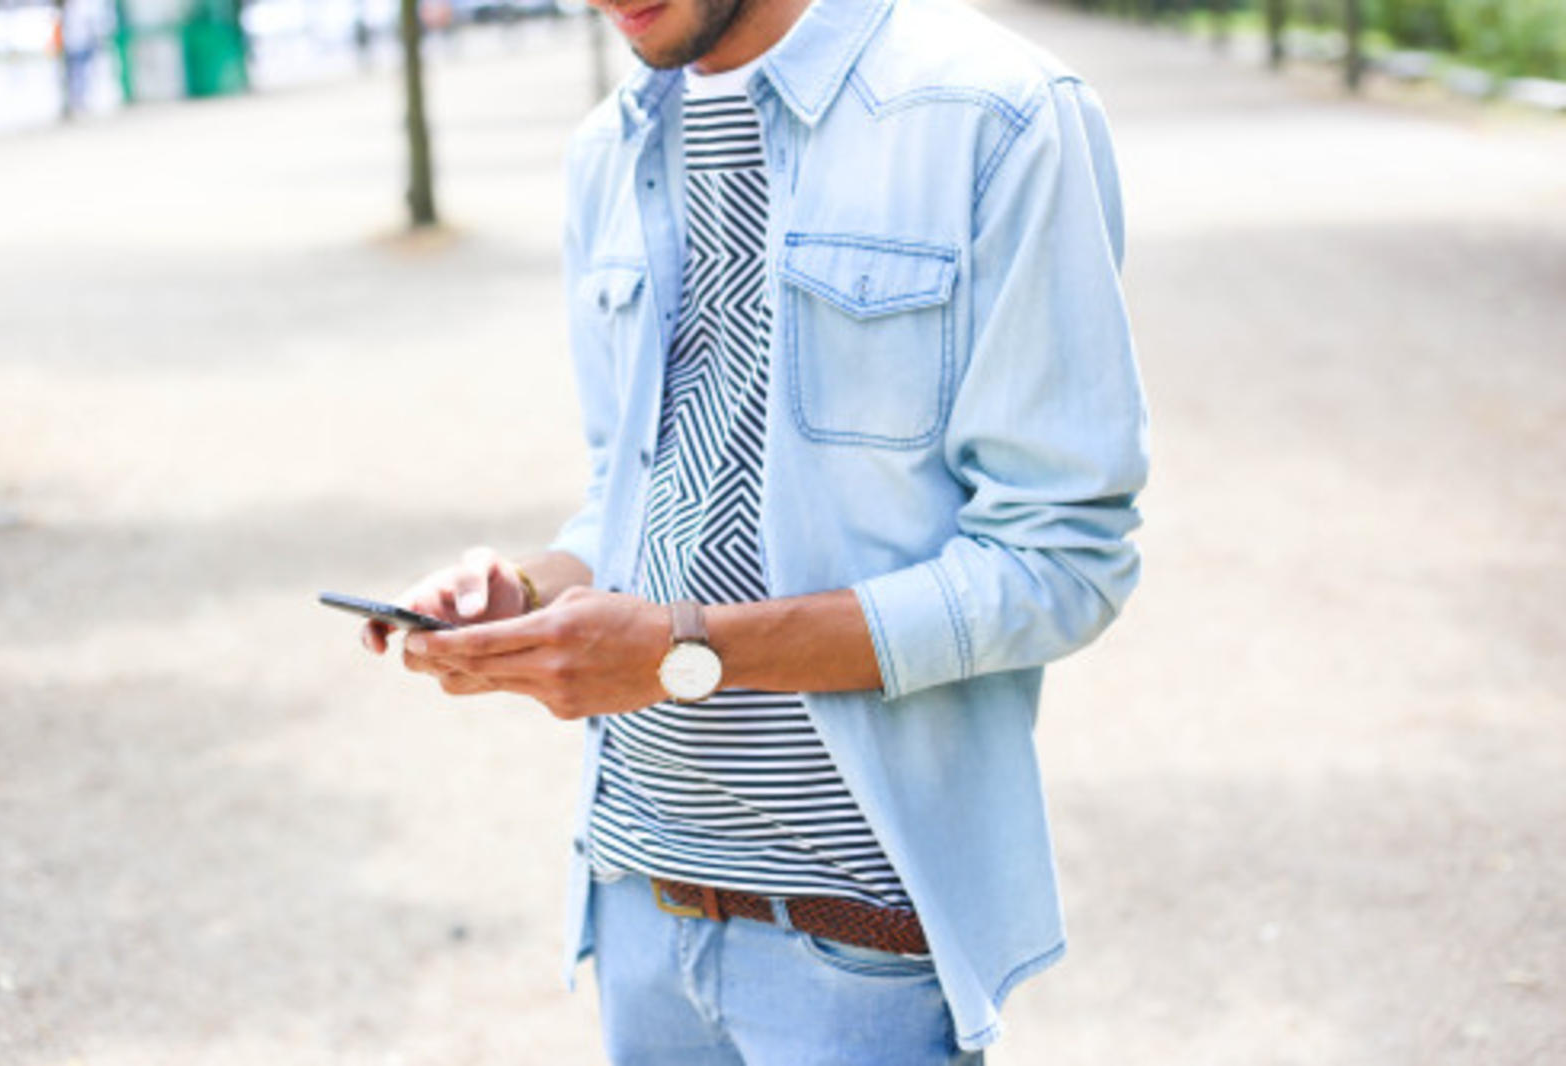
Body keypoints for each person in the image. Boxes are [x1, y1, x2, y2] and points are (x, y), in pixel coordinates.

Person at [362, 0, 1148, 1059]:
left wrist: (686, 654)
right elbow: (628, 494)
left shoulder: (996, 115)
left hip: (855, 936)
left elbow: (1058, 561)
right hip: (637, 897)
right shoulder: (610, 145)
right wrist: (526, 591)